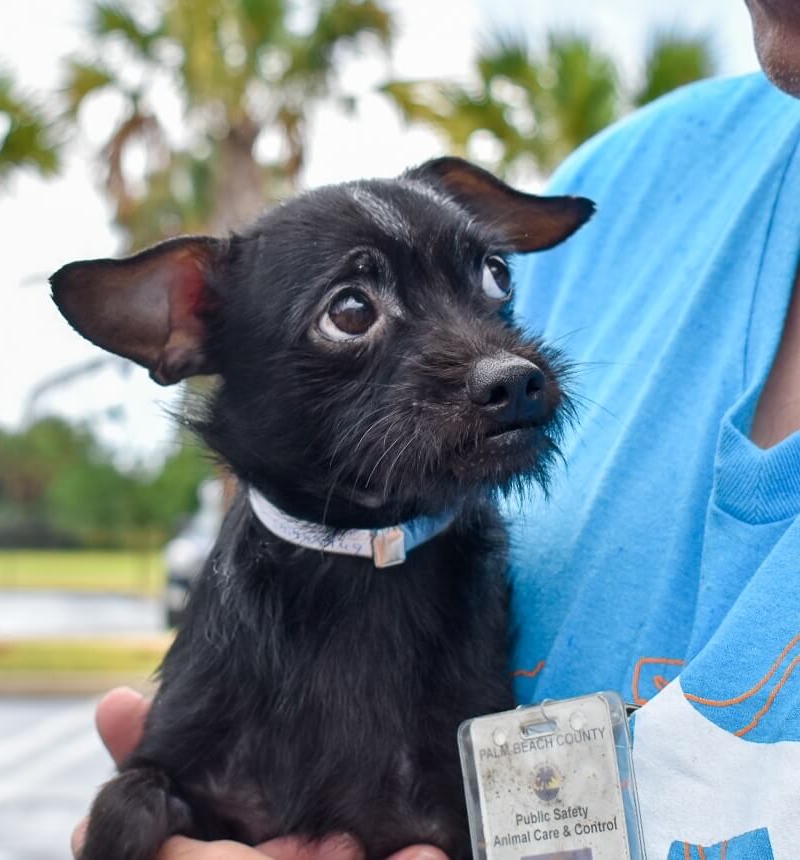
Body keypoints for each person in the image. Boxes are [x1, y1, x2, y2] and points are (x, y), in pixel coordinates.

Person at [74, 1, 800, 857]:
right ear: (189, 321)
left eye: (490, 276)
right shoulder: (648, 179)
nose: (498, 358)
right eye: (353, 312)